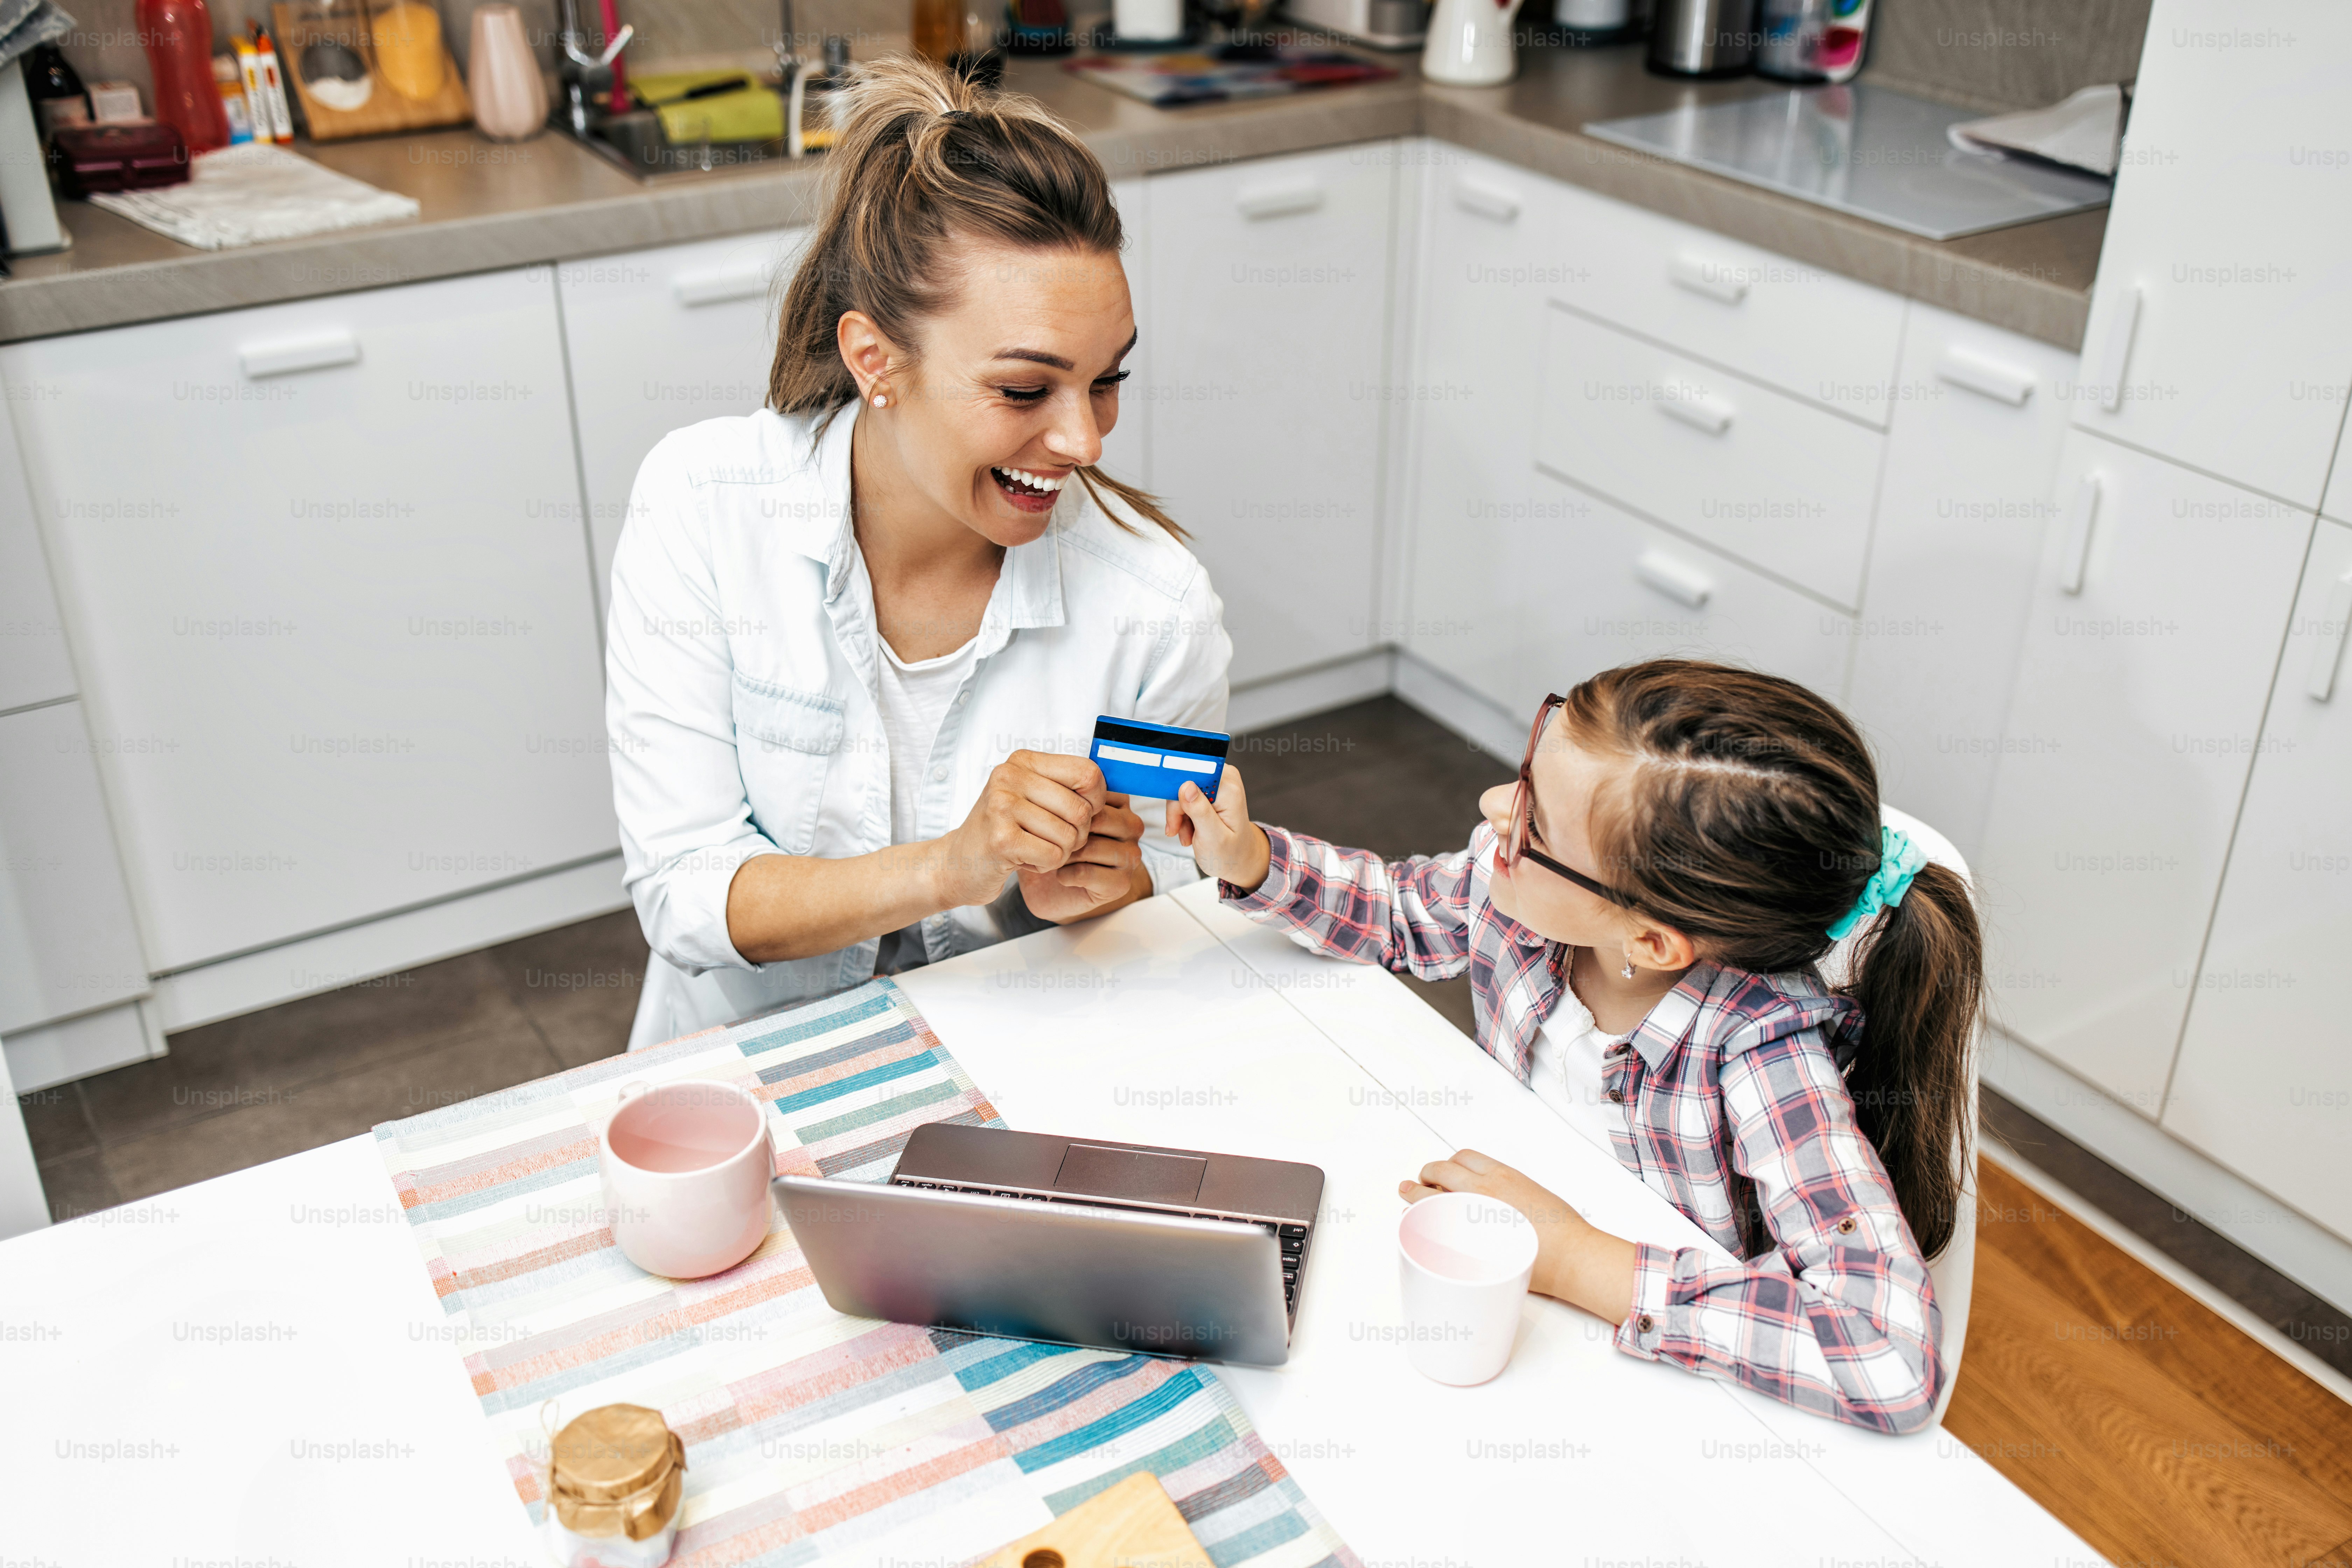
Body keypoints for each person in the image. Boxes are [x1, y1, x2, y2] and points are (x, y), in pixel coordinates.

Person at [1169, 659, 1981, 1434]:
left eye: (1534, 824)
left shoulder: (1765, 1050)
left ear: (1653, 941)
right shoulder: (1523, 896)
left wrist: (1576, 1258)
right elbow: (1399, 909)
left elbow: (1888, 1353)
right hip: (1496, 1291)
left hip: (1646, 1368)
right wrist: (1254, 860)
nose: (1493, 808)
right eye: (1525, 773)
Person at [605, 56, 1229, 1051]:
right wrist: (952, 864)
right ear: (874, 361)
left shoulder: (1161, 606)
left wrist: (1132, 891)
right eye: (1026, 392)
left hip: (1026, 1062)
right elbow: (684, 893)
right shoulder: (702, 506)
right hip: (744, 1076)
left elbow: (1183, 912)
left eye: (1107, 380)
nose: (1085, 442)